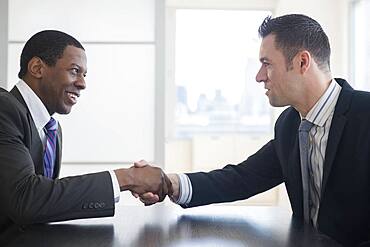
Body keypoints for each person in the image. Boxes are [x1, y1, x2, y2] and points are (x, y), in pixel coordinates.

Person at [135, 14, 370, 246]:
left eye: (266, 64)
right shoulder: (289, 125)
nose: (259, 77)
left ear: (302, 62)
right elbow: (243, 179)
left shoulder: (365, 116)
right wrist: (169, 183)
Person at [0, 30, 172, 232]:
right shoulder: (5, 109)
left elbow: (46, 203)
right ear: (37, 68)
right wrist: (126, 178)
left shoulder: (52, 129)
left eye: (84, 74)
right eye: (74, 71)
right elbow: (26, 199)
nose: (82, 83)